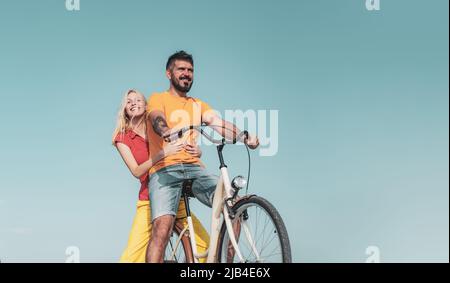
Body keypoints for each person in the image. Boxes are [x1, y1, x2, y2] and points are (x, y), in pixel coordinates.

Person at [145, 51, 260, 263]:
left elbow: (218, 123)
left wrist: (244, 136)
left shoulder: (198, 104)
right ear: (169, 73)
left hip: (194, 168)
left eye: (190, 70)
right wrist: (165, 131)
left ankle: (225, 262)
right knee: (162, 227)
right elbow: (156, 119)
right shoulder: (157, 98)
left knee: (233, 203)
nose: (186, 74)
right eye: (181, 69)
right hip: (165, 169)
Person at [112, 89, 210, 263]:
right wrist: (162, 154)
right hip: (148, 201)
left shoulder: (159, 126)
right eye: (129, 101)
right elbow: (136, 171)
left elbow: (183, 143)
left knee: (205, 248)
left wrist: (197, 152)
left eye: (138, 99)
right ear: (125, 109)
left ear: (146, 104)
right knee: (130, 258)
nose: (134, 103)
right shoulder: (123, 138)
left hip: (175, 193)